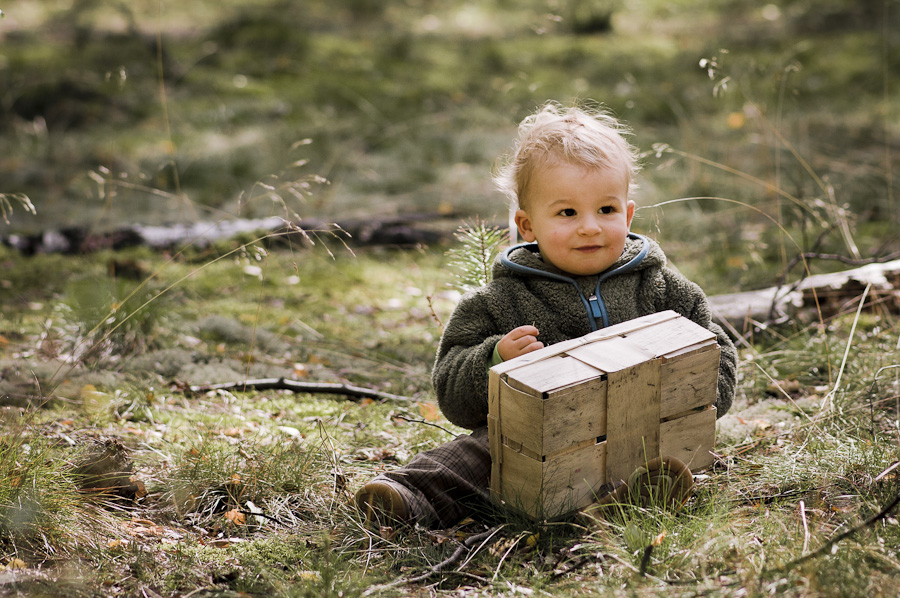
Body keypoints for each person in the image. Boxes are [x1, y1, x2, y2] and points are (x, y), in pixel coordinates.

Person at [354, 101, 738, 529]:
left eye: (606, 210)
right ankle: (409, 498)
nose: (590, 226)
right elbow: (450, 390)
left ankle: (617, 505)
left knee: (655, 452)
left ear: (628, 214)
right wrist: (496, 357)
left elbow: (716, 351)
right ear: (528, 225)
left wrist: (689, 392)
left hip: (643, 429)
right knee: (479, 456)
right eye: (567, 213)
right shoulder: (503, 299)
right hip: (535, 439)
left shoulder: (661, 286)